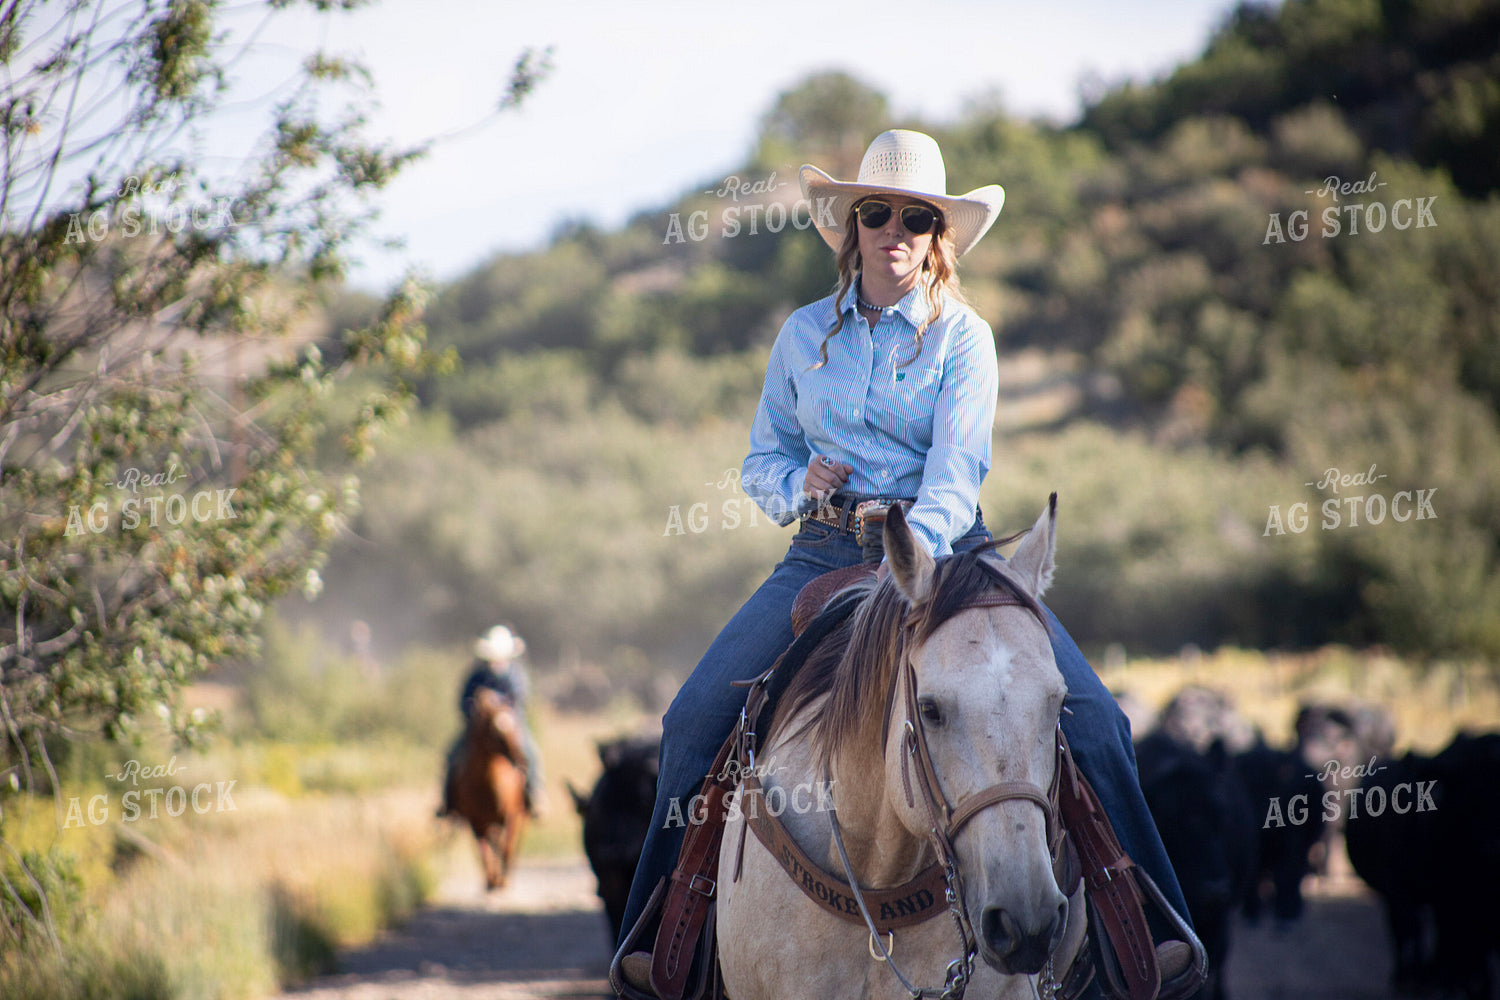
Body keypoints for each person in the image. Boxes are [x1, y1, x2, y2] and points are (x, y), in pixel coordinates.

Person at [617, 129, 1192, 994]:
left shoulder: (967, 340)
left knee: (1100, 725)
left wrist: (915, 567)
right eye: (877, 212)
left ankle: (1147, 931)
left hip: (949, 554)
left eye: (917, 217)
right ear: (851, 227)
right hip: (820, 549)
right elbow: (760, 459)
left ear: (937, 235)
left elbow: (957, 474)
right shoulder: (803, 334)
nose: (896, 229)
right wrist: (796, 485)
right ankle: (661, 938)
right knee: (693, 722)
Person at [439, 624, 546, 817]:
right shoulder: (476, 674)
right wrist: (474, 710)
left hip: (510, 726)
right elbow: (464, 699)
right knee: (452, 755)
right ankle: (448, 803)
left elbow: (520, 699)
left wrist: (500, 709)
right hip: (478, 727)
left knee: (531, 753)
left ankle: (535, 794)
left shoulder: (515, 674)